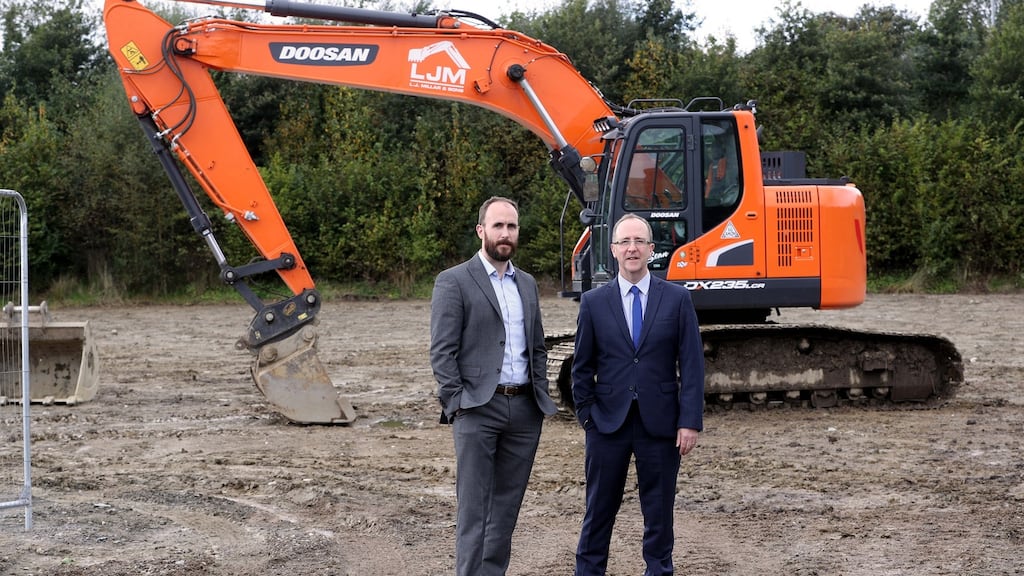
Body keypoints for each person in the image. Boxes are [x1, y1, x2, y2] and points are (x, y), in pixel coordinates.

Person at [429, 195, 559, 576]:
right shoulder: (454, 281)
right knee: (474, 512)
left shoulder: (527, 284)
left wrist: (539, 393)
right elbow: (442, 351)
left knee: (505, 512)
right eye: (498, 225)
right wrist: (457, 403)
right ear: (481, 230)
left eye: (511, 226)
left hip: (524, 411)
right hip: (477, 410)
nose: (505, 233)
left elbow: (537, 346)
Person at [572, 213, 705, 576]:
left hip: (660, 426)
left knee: (659, 514)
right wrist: (587, 416)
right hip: (606, 425)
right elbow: (581, 367)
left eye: (639, 242)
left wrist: (689, 421)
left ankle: (659, 570)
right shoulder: (593, 303)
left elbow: (692, 365)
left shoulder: (677, 299)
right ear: (614, 250)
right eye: (625, 242)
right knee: (598, 512)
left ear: (651, 249)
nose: (632, 249)